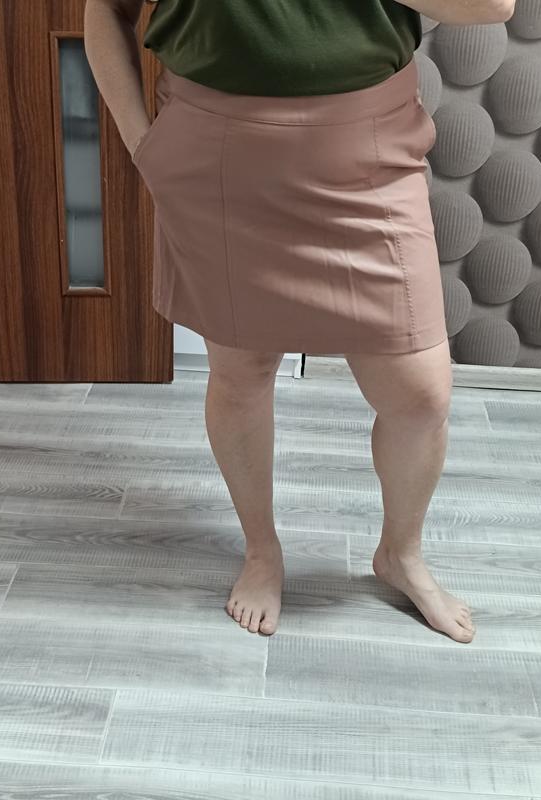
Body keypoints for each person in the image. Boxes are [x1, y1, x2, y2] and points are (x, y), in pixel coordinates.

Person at [85, 0, 514, 643]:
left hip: (368, 148)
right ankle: (262, 550)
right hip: (217, 152)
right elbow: (106, 10)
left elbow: (491, 6)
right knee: (242, 372)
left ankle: (400, 553)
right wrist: (140, 143)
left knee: (421, 395)